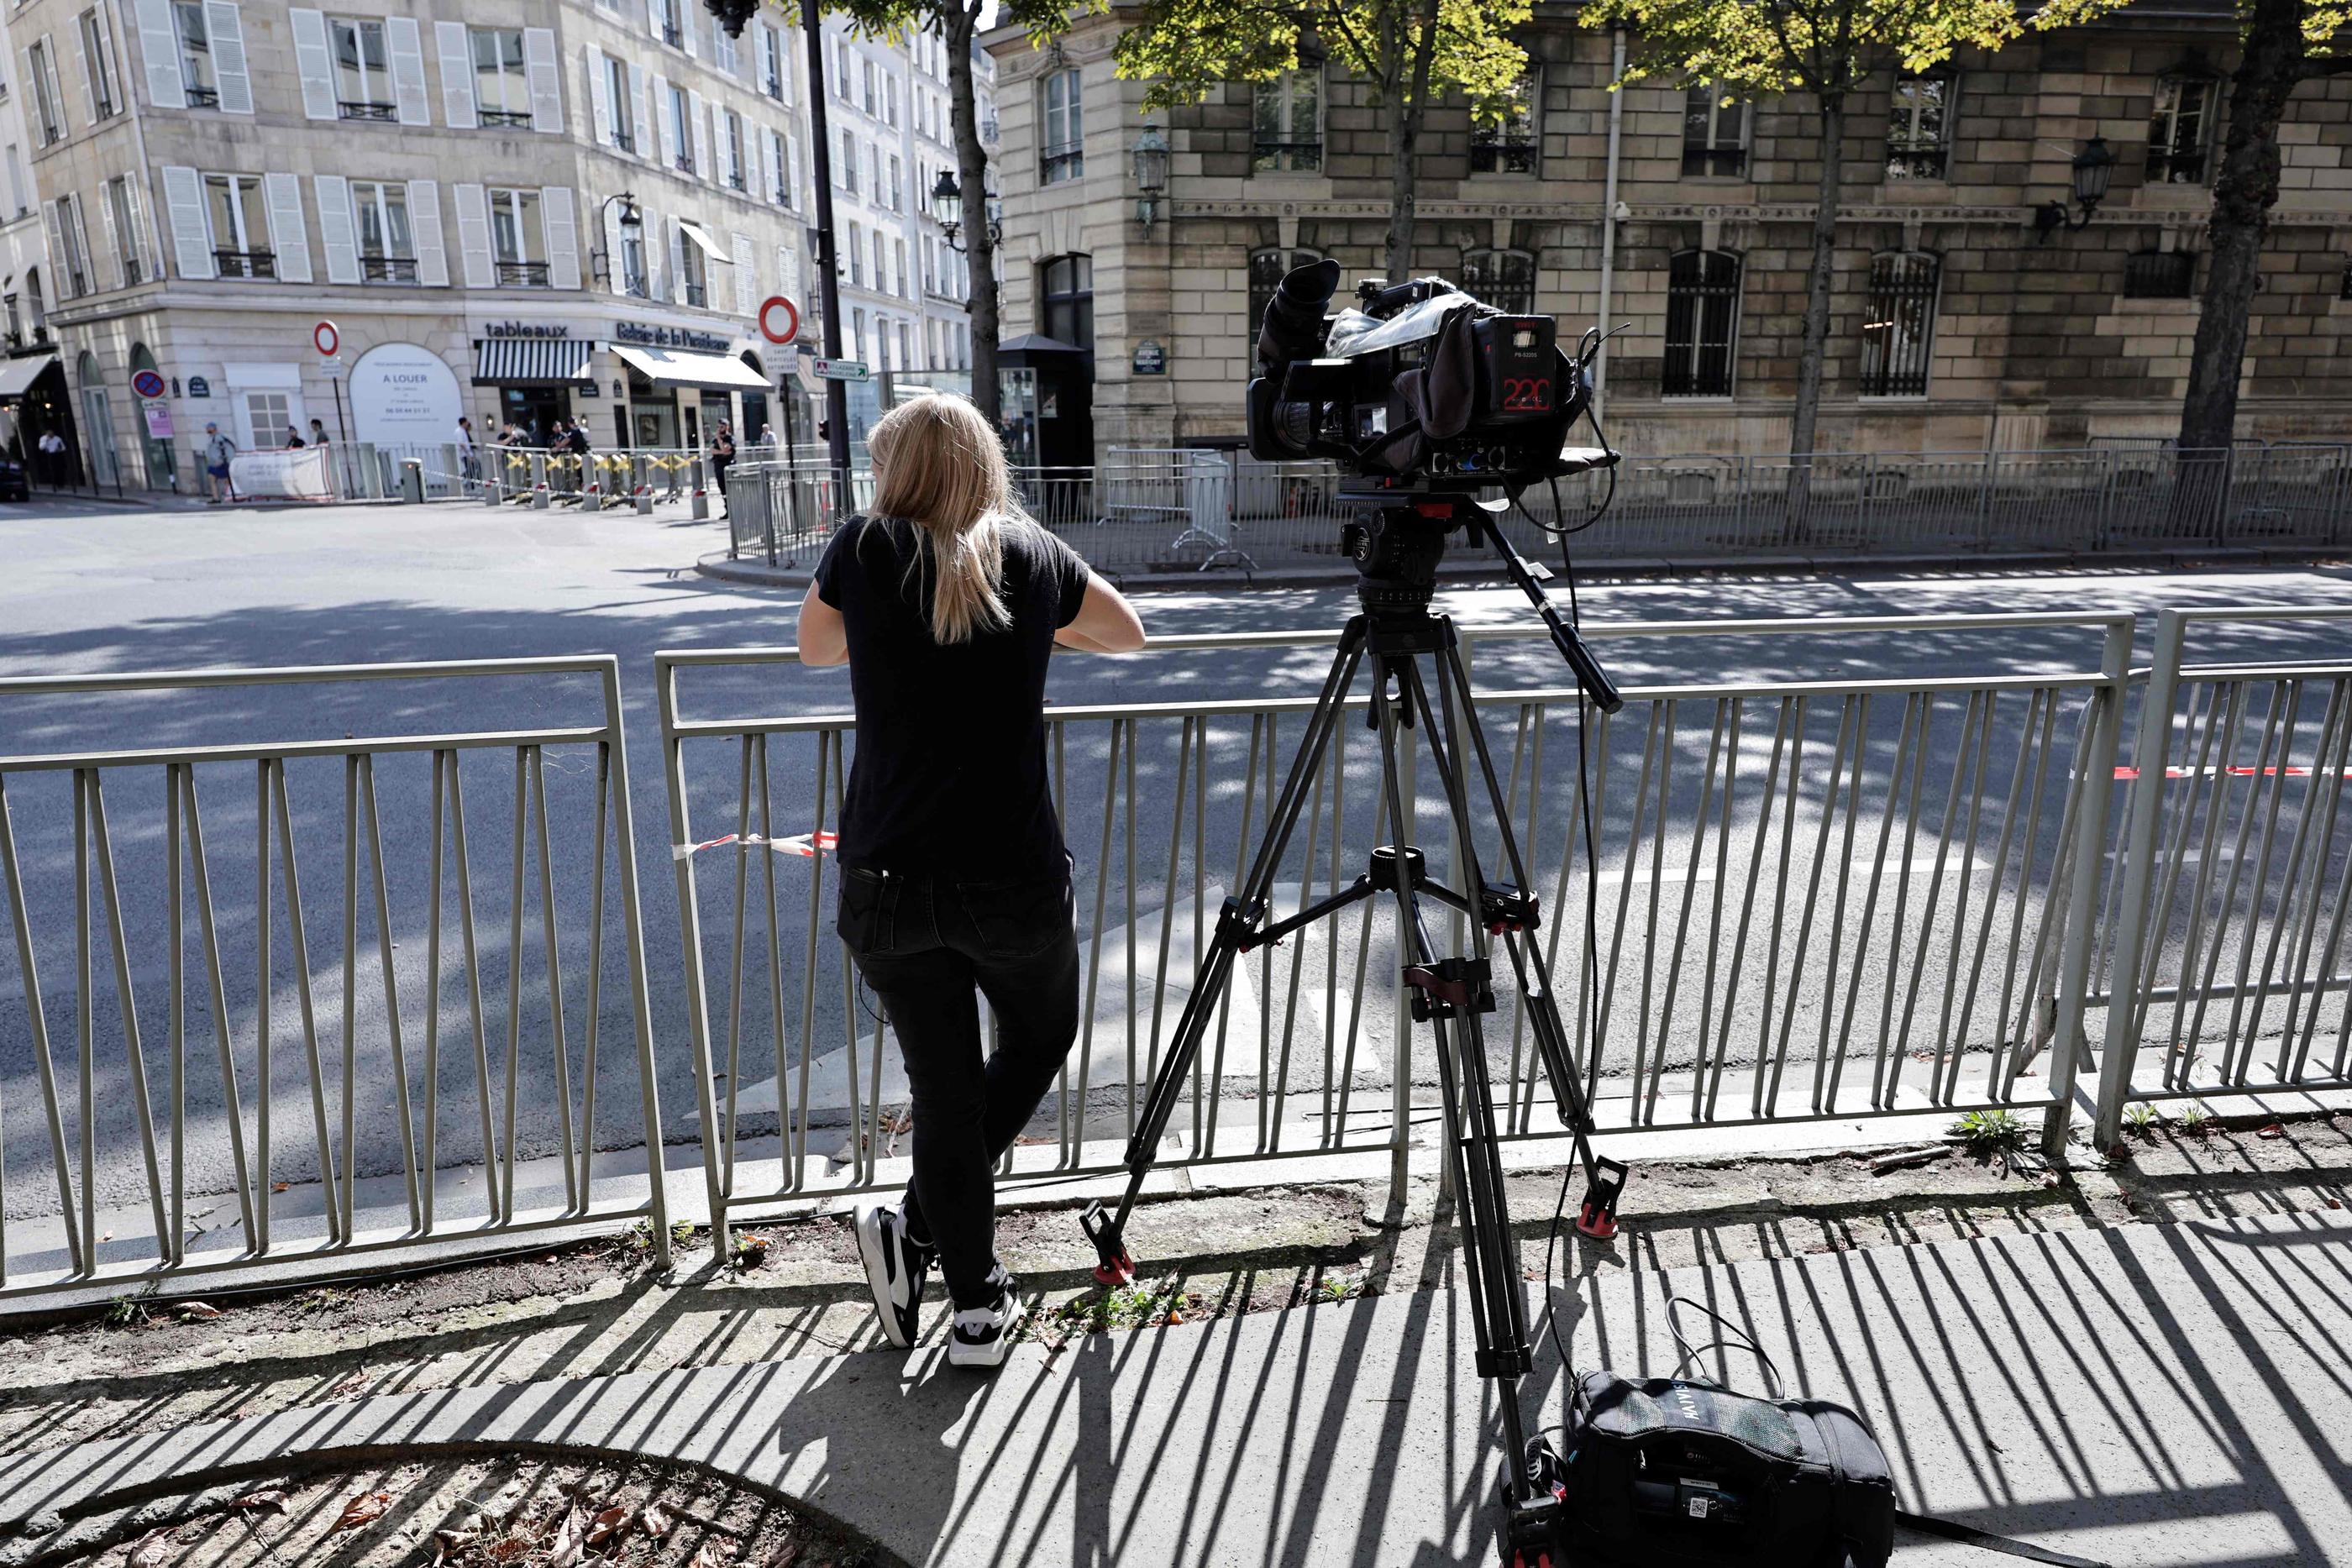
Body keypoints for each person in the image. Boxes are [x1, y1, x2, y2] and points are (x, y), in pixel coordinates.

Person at [796, 394, 1145, 1368]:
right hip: (1011, 877)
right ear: (986, 464)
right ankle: (936, 1255)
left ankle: (964, 1280)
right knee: (1040, 1035)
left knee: (943, 1094)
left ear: (895, 469)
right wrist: (1034, 637)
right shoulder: (1029, 557)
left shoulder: (861, 549)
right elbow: (1129, 634)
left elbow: (813, 648)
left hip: (887, 875)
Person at [202, 422, 236, 502]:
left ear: (213, 428)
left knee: (226, 480)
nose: (207, 429)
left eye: (208, 428)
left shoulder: (219, 438)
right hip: (216, 463)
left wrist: (221, 460)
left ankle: (228, 496)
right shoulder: (212, 438)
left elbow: (224, 450)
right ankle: (217, 497)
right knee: (212, 478)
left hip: (220, 463)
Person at [709, 420, 736, 515]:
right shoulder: (716, 439)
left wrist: (720, 443)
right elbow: (712, 450)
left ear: (727, 427)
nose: (719, 429)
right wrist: (721, 452)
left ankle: (733, 510)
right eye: (718, 427)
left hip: (728, 467)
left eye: (721, 427)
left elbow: (725, 448)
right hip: (719, 467)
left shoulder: (730, 438)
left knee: (730, 490)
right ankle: (727, 510)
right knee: (723, 490)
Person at [455, 416, 480, 491]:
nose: (467, 424)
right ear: (464, 422)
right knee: (471, 469)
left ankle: (472, 484)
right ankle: (465, 481)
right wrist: (468, 455)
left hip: (468, 454)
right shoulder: (459, 431)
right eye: (466, 422)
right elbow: (461, 444)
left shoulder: (463, 431)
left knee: (473, 468)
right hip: (465, 455)